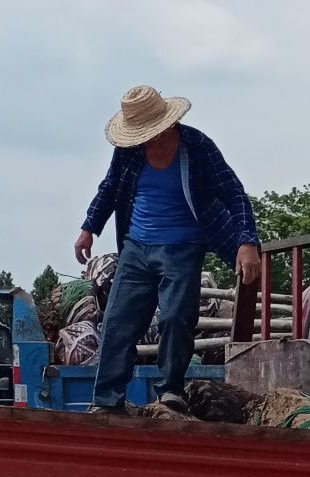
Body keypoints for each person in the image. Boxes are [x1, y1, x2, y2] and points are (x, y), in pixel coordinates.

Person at [75, 86, 261, 412]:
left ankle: (170, 391)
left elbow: (233, 192)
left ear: (167, 123)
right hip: (136, 246)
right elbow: (109, 187)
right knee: (118, 323)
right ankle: (107, 401)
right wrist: (89, 228)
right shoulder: (129, 151)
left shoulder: (197, 147)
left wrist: (247, 241)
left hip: (183, 247)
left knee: (176, 317)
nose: (148, 140)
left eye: (151, 133)